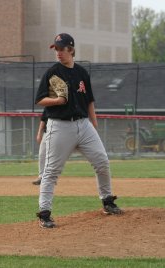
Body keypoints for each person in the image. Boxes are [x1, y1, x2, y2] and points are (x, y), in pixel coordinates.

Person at [34, 33, 122, 228]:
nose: (58, 52)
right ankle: (45, 213)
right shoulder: (52, 73)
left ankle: (107, 201)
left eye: (61, 48)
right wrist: (56, 101)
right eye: (56, 49)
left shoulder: (82, 72)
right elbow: (40, 99)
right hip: (60, 125)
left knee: (102, 162)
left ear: (71, 50)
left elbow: (89, 100)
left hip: (83, 124)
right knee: (51, 172)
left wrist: (94, 124)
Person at [32, 115, 47, 185]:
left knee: (55, 158)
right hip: (47, 132)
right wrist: (39, 133)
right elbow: (43, 118)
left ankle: (51, 178)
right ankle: (41, 177)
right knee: (42, 155)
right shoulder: (48, 106)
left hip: (63, 131)